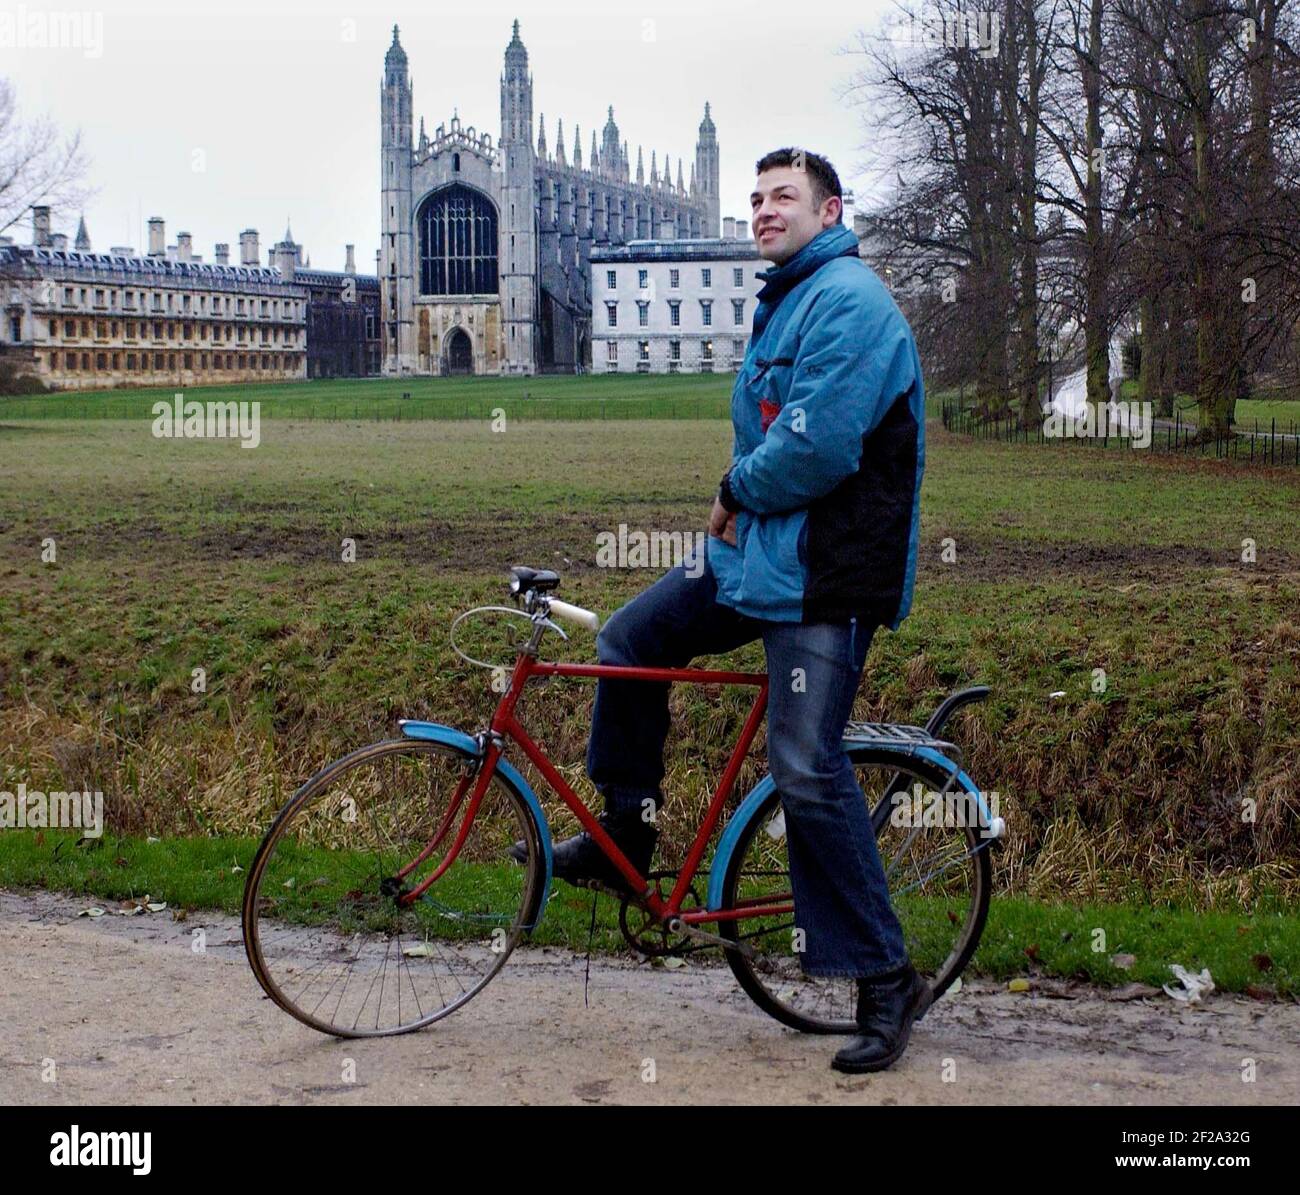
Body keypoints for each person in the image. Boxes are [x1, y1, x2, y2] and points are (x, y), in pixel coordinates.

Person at [513, 148, 928, 1073]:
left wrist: (733, 488)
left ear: (830, 209)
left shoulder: (851, 301)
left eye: (784, 196)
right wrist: (745, 501)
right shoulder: (790, 292)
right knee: (630, 635)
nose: (764, 210)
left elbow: (813, 448)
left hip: (824, 573)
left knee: (806, 767)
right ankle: (629, 827)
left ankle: (887, 978)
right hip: (761, 559)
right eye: (756, 198)